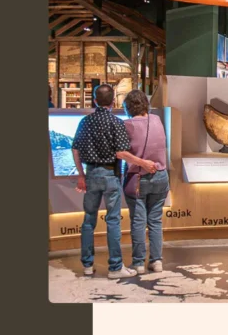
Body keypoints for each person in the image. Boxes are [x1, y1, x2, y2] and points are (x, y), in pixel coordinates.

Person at [71, 83, 156, 279]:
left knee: (88, 221)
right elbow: (122, 153)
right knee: (113, 221)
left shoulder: (85, 122)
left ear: (94, 101)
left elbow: (75, 149)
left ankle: (87, 265)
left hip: (91, 174)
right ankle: (115, 267)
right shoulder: (117, 123)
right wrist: (142, 163)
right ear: (113, 102)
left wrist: (81, 175)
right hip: (111, 176)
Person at [121, 89, 169, 274]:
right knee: (155, 221)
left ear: (128, 107)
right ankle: (157, 261)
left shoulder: (127, 125)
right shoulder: (156, 120)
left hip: (138, 179)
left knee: (138, 222)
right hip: (161, 176)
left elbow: (124, 153)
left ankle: (138, 263)